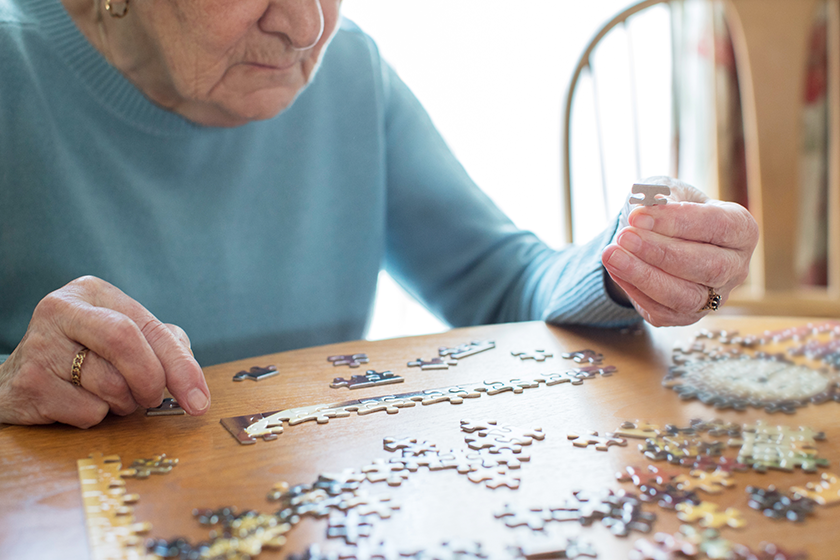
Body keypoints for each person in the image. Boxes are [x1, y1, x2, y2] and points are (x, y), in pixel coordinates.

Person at [0, 0, 758, 429]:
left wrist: (627, 264)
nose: (305, 25)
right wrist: (7, 384)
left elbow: (500, 280)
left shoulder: (349, 70)